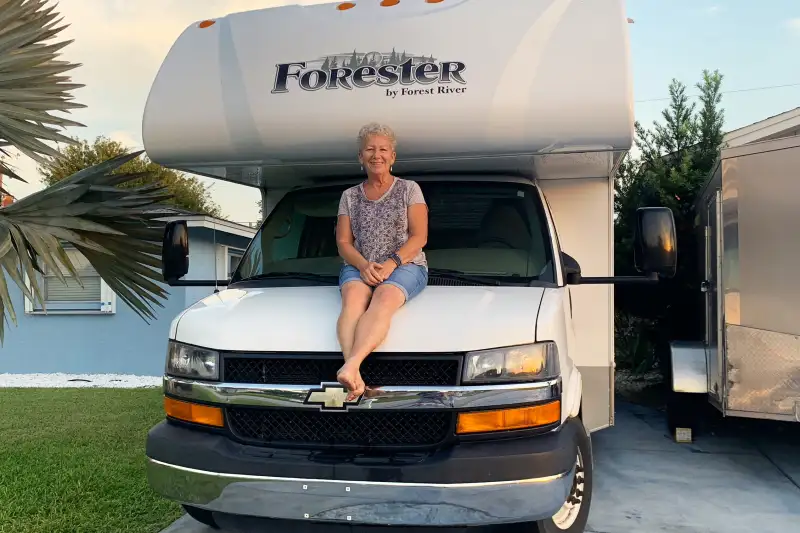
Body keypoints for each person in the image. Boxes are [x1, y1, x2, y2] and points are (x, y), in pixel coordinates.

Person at [335, 122, 429, 400]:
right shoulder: (349, 196)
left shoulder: (410, 189)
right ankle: (354, 373)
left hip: (406, 264)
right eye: (370, 149)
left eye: (383, 149)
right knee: (353, 298)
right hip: (360, 263)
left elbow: (419, 236)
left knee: (384, 297)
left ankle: (351, 366)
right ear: (360, 157)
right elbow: (343, 242)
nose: (377, 155)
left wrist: (391, 264)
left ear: (393, 156)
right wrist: (363, 266)